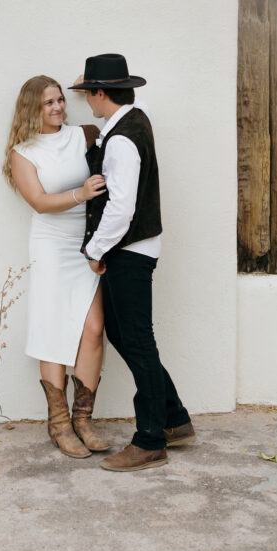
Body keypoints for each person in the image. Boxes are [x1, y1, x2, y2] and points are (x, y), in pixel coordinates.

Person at [69, 53, 196, 472]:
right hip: (134, 247)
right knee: (126, 336)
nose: (88, 102)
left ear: (101, 93)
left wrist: (96, 249)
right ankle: (174, 419)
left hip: (128, 250)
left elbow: (121, 208)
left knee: (137, 340)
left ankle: (149, 440)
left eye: (89, 94)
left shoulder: (122, 138)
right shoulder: (132, 121)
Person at [3, 75, 111, 459]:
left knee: (93, 329)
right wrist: (79, 193)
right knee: (52, 329)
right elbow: (38, 201)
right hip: (50, 246)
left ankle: (84, 418)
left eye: (61, 100)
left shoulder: (83, 135)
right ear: (33, 107)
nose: (57, 107)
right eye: (48, 103)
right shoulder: (23, 152)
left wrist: (94, 78)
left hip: (85, 244)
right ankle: (59, 424)